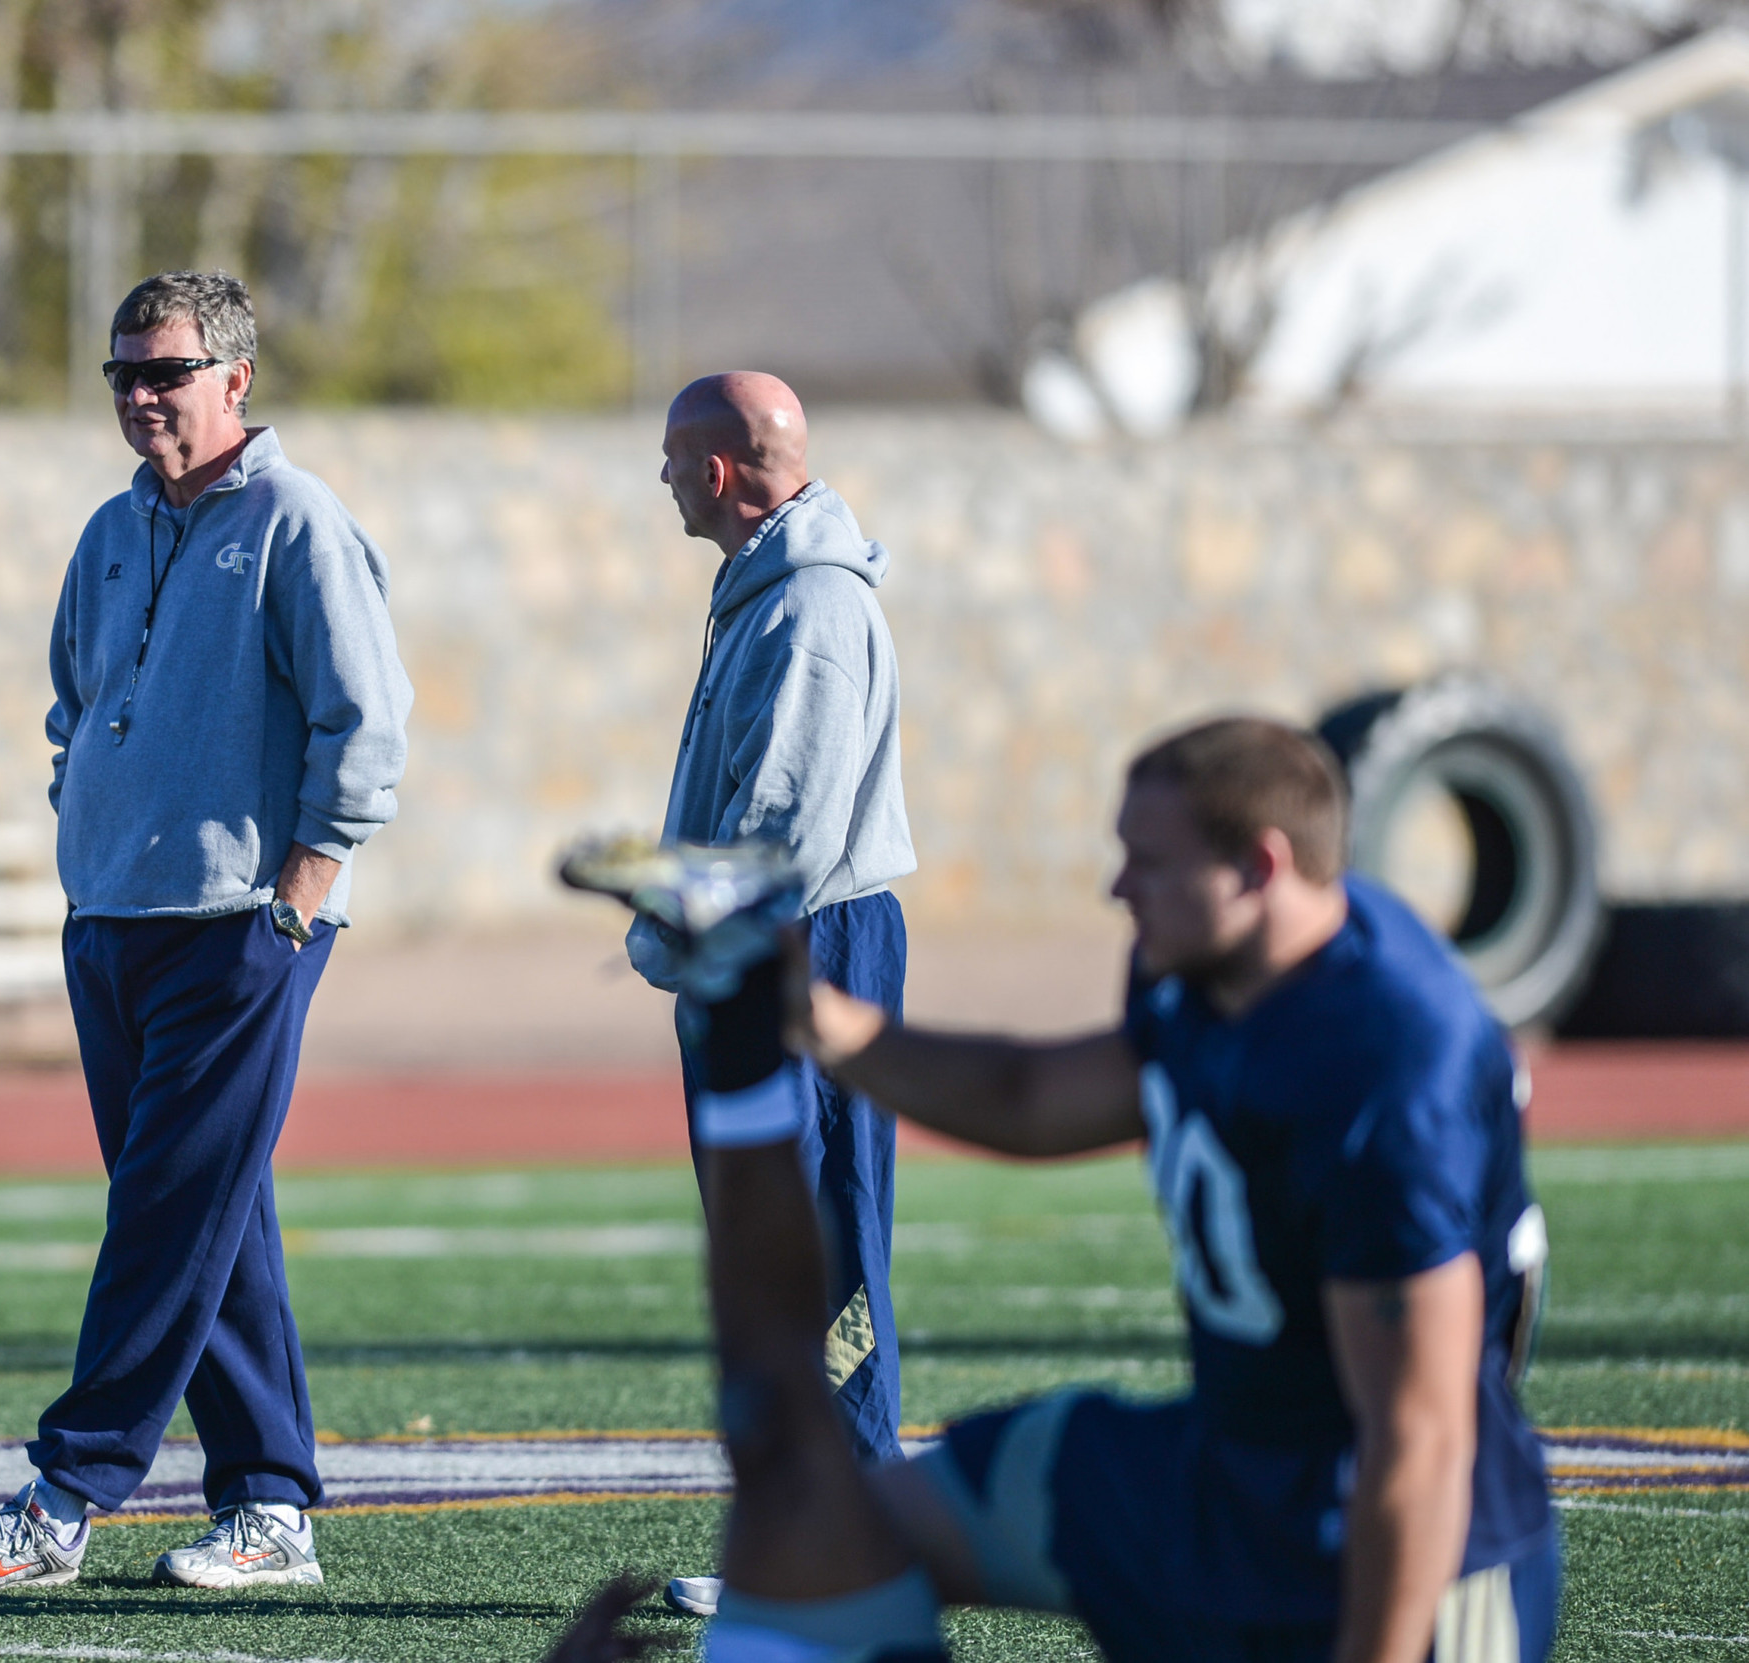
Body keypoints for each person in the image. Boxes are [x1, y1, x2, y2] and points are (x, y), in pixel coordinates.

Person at [559, 716, 1556, 1663]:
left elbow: (1418, 1439)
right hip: (1224, 1471)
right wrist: (809, 1016)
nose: (1116, 886)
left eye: (1150, 862)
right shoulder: (1211, 968)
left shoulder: (1386, 1063)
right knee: (821, 1517)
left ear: (1260, 866)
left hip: (1405, 1553)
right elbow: (1033, 1096)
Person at [0, 270, 412, 1595]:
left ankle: (65, 1493)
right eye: (123, 373)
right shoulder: (112, 529)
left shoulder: (299, 522)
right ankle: (269, 1503)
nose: (141, 394)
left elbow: (366, 724)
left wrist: (297, 896)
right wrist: (83, 835)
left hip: (239, 921)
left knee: (166, 1207)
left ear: (234, 379)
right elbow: (73, 702)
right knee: (210, 1210)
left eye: (166, 371)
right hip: (113, 920)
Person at [632, 372, 918, 1618]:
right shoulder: (766, 585)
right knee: (776, 1243)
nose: (660, 480)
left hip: (802, 948)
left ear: (719, 470)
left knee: (820, 1239)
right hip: (771, 946)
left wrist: (695, 937)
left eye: (670, 459)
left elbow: (784, 829)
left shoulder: (808, 604)